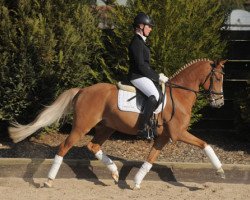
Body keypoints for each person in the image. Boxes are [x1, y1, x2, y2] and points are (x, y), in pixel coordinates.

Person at [128, 12, 169, 139]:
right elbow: (140, 66)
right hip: (137, 76)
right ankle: (142, 128)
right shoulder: (136, 42)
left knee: (158, 92)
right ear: (141, 26)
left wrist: (157, 75)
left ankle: (151, 122)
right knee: (154, 96)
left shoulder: (141, 42)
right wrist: (157, 77)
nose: (150, 29)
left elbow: (146, 66)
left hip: (142, 75)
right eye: (149, 26)